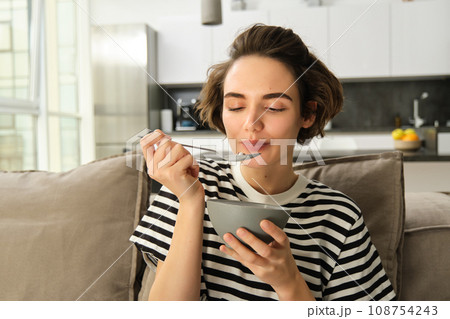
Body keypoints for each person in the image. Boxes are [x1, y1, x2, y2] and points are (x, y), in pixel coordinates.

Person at [130, 24, 396, 301]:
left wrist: (290, 282)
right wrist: (190, 201)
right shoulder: (186, 184)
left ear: (307, 114)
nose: (251, 124)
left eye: (274, 107)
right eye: (236, 106)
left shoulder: (338, 217)